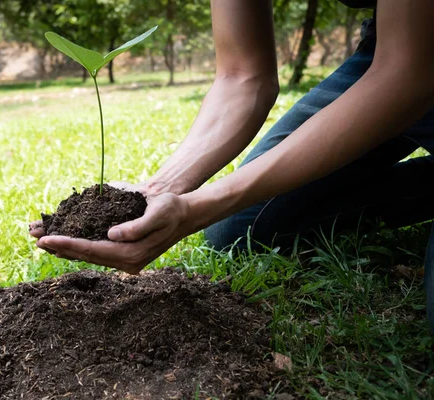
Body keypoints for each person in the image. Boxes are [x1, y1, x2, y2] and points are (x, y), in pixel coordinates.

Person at [30, 1, 434, 331]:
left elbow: (407, 77)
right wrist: (159, 190)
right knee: (240, 229)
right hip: (389, 52)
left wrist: (195, 210)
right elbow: (243, 75)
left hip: (409, 62)